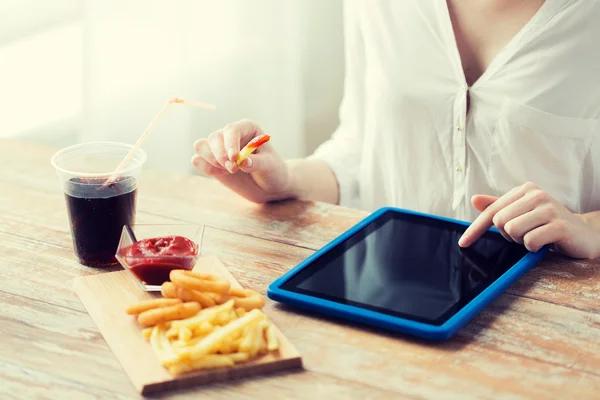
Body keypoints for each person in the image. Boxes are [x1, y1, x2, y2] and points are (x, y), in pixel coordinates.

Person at [191, 0, 600, 260]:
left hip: (555, 316)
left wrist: (590, 228)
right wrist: (285, 180)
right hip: (391, 299)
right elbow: (362, 150)